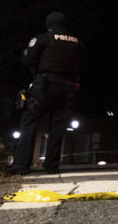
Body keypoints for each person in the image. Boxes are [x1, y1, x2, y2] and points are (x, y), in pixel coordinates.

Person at [11, 11, 87, 174]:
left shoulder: (43, 39)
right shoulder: (77, 42)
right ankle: (52, 165)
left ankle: (21, 165)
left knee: (30, 121)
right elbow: (82, 62)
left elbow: (27, 60)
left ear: (48, 24)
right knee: (58, 126)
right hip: (68, 87)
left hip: (44, 85)